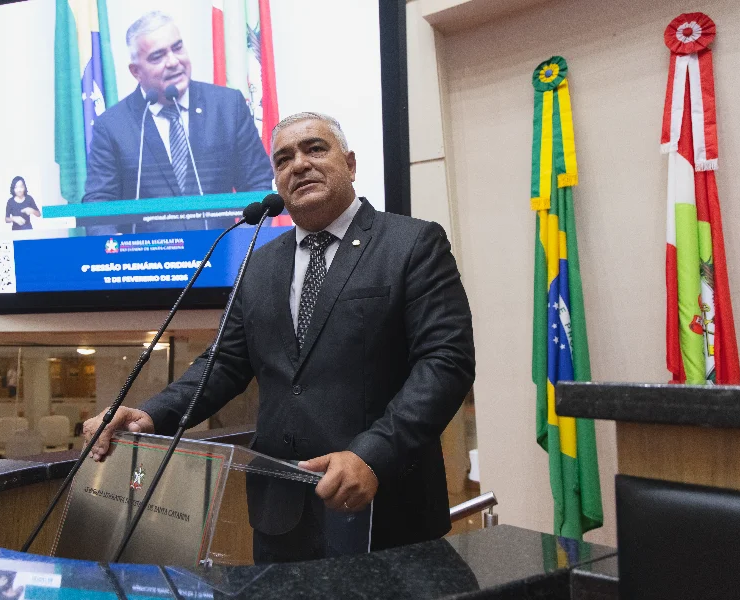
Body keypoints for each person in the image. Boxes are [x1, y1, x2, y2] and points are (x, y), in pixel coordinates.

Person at [83, 112, 475, 562]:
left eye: (315, 149)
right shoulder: (259, 263)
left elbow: (446, 363)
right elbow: (224, 363)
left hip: (386, 507)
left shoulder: (411, 243)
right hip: (280, 517)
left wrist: (372, 454)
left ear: (349, 163)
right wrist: (149, 416)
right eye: (284, 158)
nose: (299, 165)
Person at [82, 12, 274, 234]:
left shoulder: (227, 106)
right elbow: (98, 204)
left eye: (178, 47)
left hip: (223, 257)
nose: (173, 62)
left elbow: (257, 183)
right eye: (157, 56)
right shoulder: (112, 126)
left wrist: (246, 244)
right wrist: (116, 256)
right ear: (136, 71)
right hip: (148, 262)